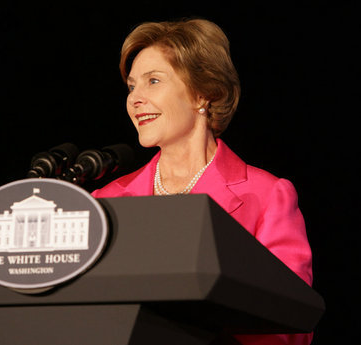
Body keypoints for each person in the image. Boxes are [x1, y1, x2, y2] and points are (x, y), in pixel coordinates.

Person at [91, 18, 313, 345]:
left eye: (153, 81)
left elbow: (293, 326)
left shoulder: (267, 196)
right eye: (132, 86)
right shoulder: (104, 202)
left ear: (203, 94)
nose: (135, 98)